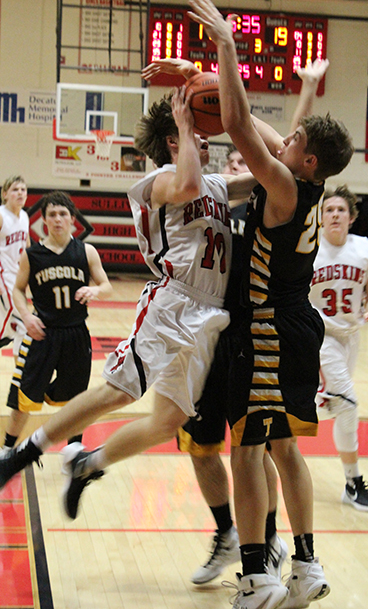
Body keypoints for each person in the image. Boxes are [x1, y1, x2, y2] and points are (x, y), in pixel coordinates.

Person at [0, 87, 256, 531]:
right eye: (200, 131)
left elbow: (269, 173)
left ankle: (86, 465)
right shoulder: (155, 181)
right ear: (177, 138)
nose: (209, 137)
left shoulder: (216, 184)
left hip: (210, 315)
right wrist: (185, 123)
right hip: (173, 303)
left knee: (167, 421)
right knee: (119, 391)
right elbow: (188, 184)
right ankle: (23, 455)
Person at [188, 0, 354, 609]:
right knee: (284, 446)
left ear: (307, 159)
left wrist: (227, 46)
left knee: (248, 449)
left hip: (267, 331)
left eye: (296, 138)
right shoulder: (299, 178)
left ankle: (258, 577)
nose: (285, 138)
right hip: (294, 324)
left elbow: (236, 126)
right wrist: (197, 73)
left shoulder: (283, 184)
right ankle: (306, 566)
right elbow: (255, 123)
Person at [142, 55, 330, 588]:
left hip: (259, 330)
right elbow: (284, 142)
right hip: (213, 330)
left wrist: (215, 64)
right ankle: (248, 544)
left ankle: (262, 561)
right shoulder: (212, 189)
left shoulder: (267, 185)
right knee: (230, 446)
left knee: (258, 448)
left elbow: (256, 133)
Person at [0, 191, 112, 456]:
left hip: (76, 335)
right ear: (44, 221)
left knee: (77, 399)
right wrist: (27, 317)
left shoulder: (86, 251)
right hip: (42, 335)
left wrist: (95, 291)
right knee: (23, 397)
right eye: (52, 214)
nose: (58, 219)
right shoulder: (33, 255)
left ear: (72, 219)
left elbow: (106, 285)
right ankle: (6, 451)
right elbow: (17, 290)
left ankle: (73, 450)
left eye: (63, 214)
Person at [309, 185, 368, 512]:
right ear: (320, 217)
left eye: (341, 210)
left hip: (351, 336)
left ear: (351, 217)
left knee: (335, 405)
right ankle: (353, 483)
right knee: (348, 403)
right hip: (321, 335)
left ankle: (280, 425)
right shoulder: (309, 249)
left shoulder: (365, 248)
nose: (335, 214)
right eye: (329, 210)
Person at [0, 175, 30, 356]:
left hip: (16, 277)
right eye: (15, 190)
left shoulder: (25, 216)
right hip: (4, 278)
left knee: (19, 328)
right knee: (25, 322)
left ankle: (19, 378)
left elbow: (26, 249)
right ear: (5, 194)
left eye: (23, 189)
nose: (20, 193)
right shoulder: (2, 216)